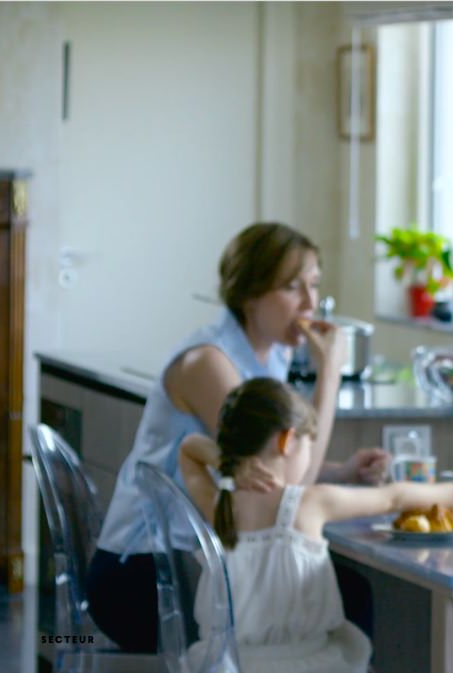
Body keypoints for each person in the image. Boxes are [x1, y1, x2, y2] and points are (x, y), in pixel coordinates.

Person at [87, 222, 388, 652]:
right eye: (292, 288)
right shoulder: (209, 364)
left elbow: (269, 471)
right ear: (250, 294)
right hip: (144, 579)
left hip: (192, 564)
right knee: (345, 596)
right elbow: (291, 492)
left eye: (314, 285)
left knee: (335, 590)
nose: (310, 303)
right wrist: (330, 375)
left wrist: (343, 472)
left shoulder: (273, 355)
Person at [179, 378, 453, 673]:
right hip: (306, 663)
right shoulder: (308, 503)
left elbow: (188, 449)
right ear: (288, 441)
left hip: (228, 664)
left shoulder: (219, 506)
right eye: (309, 447)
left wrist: (226, 462)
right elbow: (393, 497)